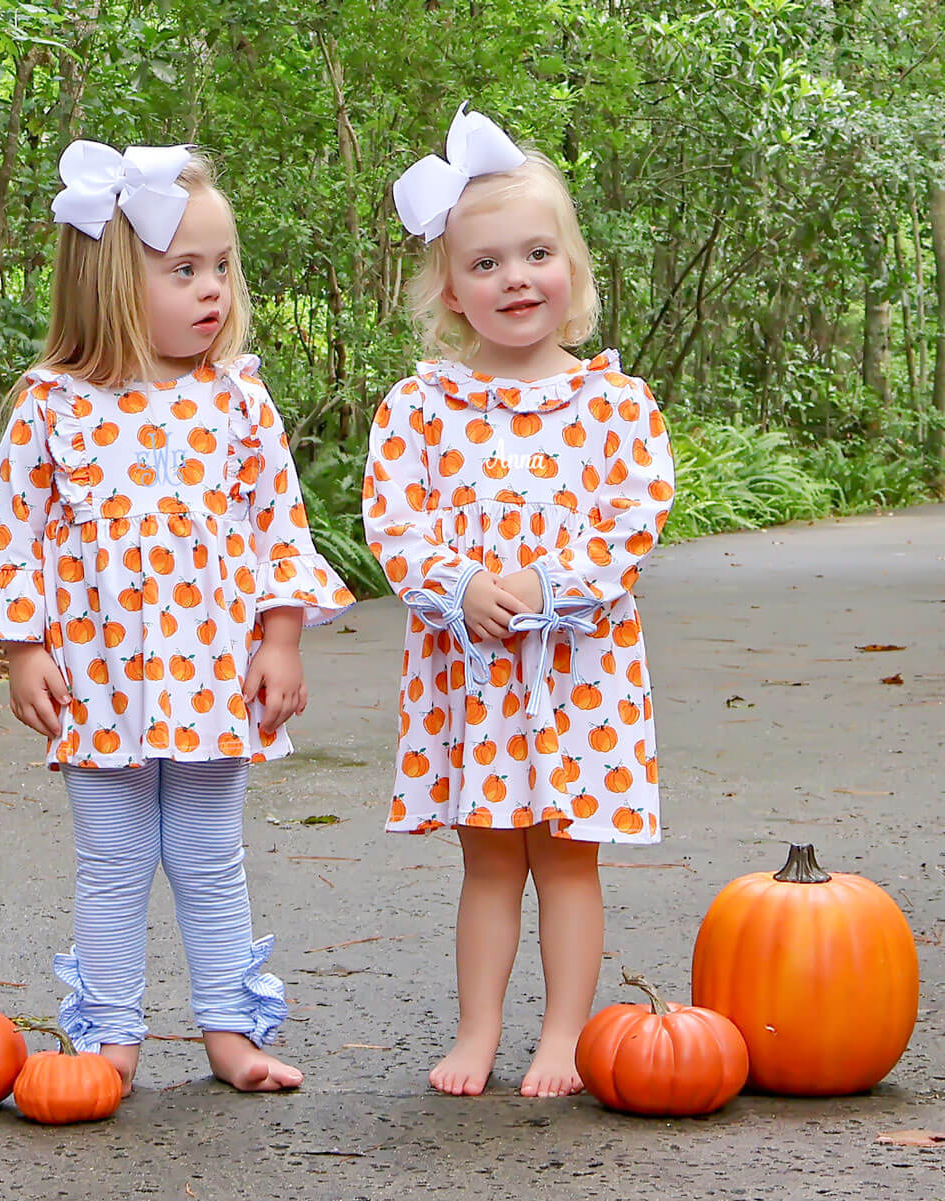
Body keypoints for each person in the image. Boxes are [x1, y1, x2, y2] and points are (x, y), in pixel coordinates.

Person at [0, 139, 355, 1095]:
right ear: (111, 283)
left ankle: (231, 1031)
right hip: (96, 681)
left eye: (221, 267)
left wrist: (282, 640)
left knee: (210, 852)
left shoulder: (237, 397)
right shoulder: (52, 406)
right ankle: (111, 1038)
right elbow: (13, 540)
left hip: (213, 675)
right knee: (115, 857)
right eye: (184, 269)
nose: (213, 288)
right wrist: (23, 650)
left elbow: (276, 526)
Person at [363, 105, 674, 1099]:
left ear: (571, 268)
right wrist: (459, 584)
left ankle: (567, 1035)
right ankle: (479, 1027)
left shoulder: (616, 406)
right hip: (475, 679)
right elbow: (394, 522)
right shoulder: (420, 408)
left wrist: (547, 583)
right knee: (492, 861)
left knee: (569, 862)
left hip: (577, 675)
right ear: (452, 290)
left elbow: (635, 519)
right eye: (487, 263)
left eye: (536, 253)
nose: (515, 279)